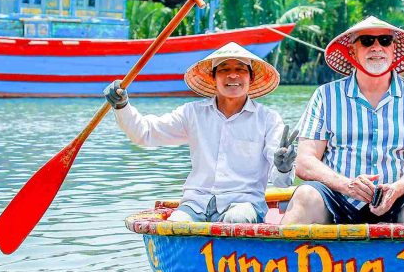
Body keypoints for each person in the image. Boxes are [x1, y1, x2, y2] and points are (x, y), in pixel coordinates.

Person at [103, 42, 297, 224]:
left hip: (244, 203)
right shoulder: (192, 113)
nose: (232, 76)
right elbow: (145, 133)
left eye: (240, 70)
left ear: (251, 78)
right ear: (213, 78)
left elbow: (282, 181)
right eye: (224, 70)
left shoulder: (268, 119)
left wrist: (283, 166)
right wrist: (122, 106)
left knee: (237, 218)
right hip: (195, 203)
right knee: (176, 224)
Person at [281, 16, 404, 225]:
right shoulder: (326, 95)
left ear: (393, 49)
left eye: (385, 41)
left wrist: (396, 189)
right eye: (367, 41)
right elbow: (305, 162)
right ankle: (284, 257)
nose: (376, 47)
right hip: (337, 198)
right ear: (352, 51)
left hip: (397, 200)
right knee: (304, 196)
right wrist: (346, 185)